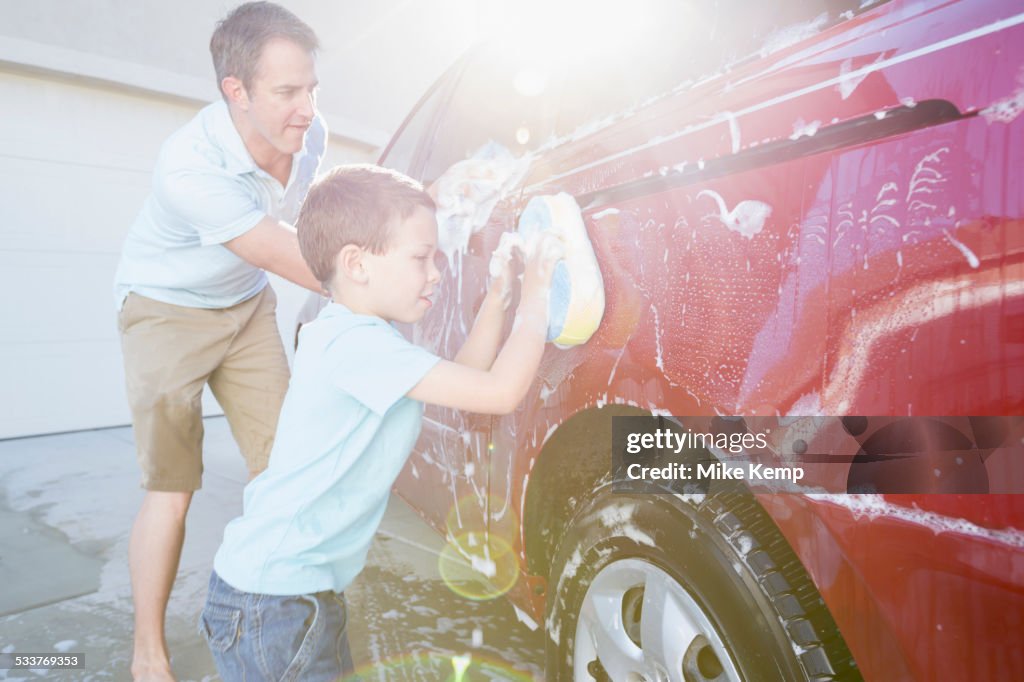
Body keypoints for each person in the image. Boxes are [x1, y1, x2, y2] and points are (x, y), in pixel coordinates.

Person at [199, 164, 563, 681]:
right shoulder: (358, 347)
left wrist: (501, 296)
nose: (436, 272)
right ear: (357, 264)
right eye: (421, 258)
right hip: (273, 603)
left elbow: (466, 381)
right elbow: (500, 393)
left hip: (287, 595)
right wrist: (538, 294)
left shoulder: (358, 336)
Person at [113, 3, 326, 680]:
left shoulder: (310, 133)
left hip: (242, 305)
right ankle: (148, 651)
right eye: (287, 92)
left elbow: (311, 223)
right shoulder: (188, 165)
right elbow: (290, 255)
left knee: (285, 473)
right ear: (236, 90)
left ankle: (285, 627)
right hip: (166, 311)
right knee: (172, 487)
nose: (306, 107)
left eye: (312, 87)